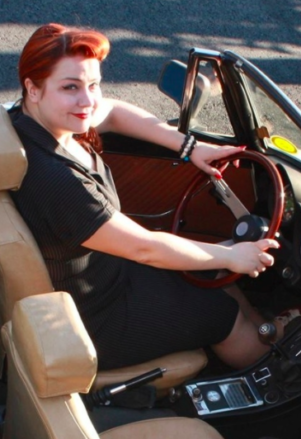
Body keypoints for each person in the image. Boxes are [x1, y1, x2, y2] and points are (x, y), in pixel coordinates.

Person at [9, 23, 281, 371]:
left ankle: (264, 329)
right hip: (97, 317)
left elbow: (114, 112)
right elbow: (145, 248)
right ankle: (274, 370)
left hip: (111, 274)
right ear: (33, 88)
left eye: (93, 84)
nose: (87, 100)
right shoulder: (56, 179)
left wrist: (190, 147)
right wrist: (232, 255)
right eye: (70, 87)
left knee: (214, 273)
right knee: (221, 314)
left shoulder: (39, 123)